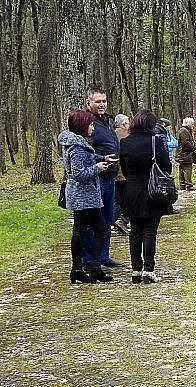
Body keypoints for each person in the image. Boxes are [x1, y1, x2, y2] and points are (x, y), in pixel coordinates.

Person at [58, 110, 116, 283]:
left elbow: (88, 157)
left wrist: (103, 157)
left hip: (83, 194)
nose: (92, 127)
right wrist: (98, 168)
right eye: (90, 124)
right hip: (84, 195)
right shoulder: (76, 146)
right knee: (97, 228)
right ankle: (92, 267)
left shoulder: (78, 143)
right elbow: (78, 173)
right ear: (83, 126)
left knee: (82, 229)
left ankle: (80, 269)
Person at [119, 109, 172, 284]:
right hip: (152, 190)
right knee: (150, 230)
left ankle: (136, 270)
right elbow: (166, 166)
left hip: (132, 189)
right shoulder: (155, 142)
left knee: (135, 231)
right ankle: (149, 270)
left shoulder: (125, 143)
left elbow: (124, 169)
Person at [83, 88, 123, 269]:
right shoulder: (87, 123)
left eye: (104, 101)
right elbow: (86, 151)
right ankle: (90, 259)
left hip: (111, 176)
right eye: (98, 102)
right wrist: (101, 160)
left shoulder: (106, 121)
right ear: (89, 103)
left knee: (107, 218)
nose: (102, 105)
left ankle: (103, 256)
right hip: (97, 178)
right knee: (94, 220)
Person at [113, 114, 131, 235]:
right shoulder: (125, 136)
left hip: (113, 173)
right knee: (126, 199)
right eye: (128, 122)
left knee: (116, 199)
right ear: (124, 124)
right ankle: (121, 221)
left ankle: (115, 221)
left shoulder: (112, 134)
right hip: (124, 172)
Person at [175, 117, 196, 190]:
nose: (193, 125)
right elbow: (185, 143)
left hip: (183, 153)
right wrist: (193, 148)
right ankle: (188, 185)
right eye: (192, 124)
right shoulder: (184, 131)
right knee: (187, 169)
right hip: (185, 154)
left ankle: (183, 184)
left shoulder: (185, 130)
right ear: (188, 124)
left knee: (182, 168)